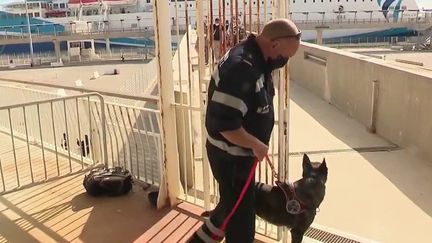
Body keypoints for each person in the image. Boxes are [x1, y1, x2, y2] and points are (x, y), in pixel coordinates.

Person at [188, 18, 301, 243]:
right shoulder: (241, 68)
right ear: (275, 45)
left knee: (230, 209)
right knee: (241, 221)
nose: (284, 61)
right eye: (284, 56)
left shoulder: (256, 58)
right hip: (230, 160)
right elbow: (225, 125)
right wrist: (256, 144)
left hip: (237, 158)